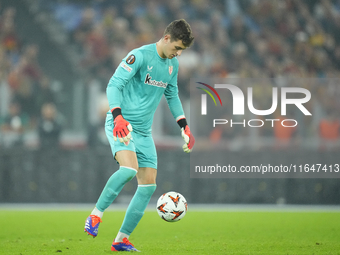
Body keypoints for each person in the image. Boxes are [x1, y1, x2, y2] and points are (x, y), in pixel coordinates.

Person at [84, 19, 195, 252]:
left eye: (181, 51)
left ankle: (121, 239)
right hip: (121, 124)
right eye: (177, 48)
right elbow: (113, 86)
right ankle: (95, 215)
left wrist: (184, 126)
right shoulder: (139, 56)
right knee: (129, 169)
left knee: (148, 186)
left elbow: (172, 96)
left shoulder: (172, 65)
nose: (178, 54)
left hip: (144, 132)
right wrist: (117, 116)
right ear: (166, 38)